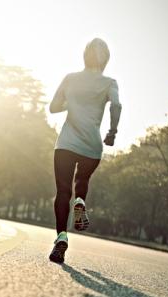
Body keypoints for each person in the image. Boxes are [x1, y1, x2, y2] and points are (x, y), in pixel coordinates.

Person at [48, 38, 122, 263]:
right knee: (82, 181)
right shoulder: (109, 82)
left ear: (85, 55)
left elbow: (53, 108)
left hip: (66, 145)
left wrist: (70, 104)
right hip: (92, 146)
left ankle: (61, 236)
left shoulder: (70, 79)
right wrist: (112, 132)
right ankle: (81, 201)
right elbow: (117, 105)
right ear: (106, 59)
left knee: (62, 192)